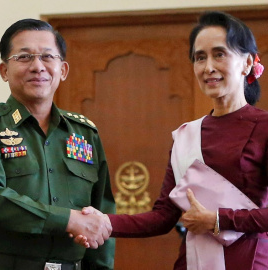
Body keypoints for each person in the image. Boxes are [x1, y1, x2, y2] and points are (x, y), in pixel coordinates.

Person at [76, 11, 268, 270]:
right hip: (192, 261)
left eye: (219, 54)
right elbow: (164, 216)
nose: (208, 66)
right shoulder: (187, 134)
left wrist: (219, 220)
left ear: (246, 63)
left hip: (250, 262)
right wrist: (106, 223)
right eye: (200, 57)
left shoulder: (263, 127)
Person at [0, 18, 115, 270]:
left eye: (47, 57)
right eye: (24, 57)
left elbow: (102, 214)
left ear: (62, 70)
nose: (37, 66)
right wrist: (66, 220)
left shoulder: (85, 134)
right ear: (4, 71)